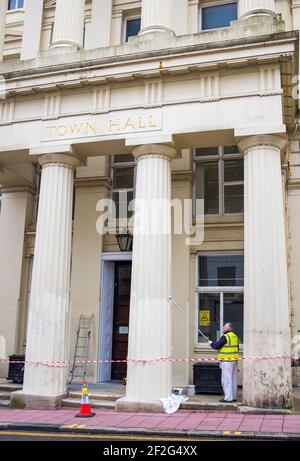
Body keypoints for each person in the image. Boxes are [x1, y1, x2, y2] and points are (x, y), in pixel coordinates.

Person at [207, 323, 239, 403]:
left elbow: (217, 346)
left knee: (226, 380)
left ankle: (228, 398)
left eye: (224, 326)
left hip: (226, 361)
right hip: (234, 360)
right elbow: (237, 348)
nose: (223, 327)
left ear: (228, 328)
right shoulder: (235, 336)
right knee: (233, 379)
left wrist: (210, 343)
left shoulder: (225, 336)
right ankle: (233, 397)